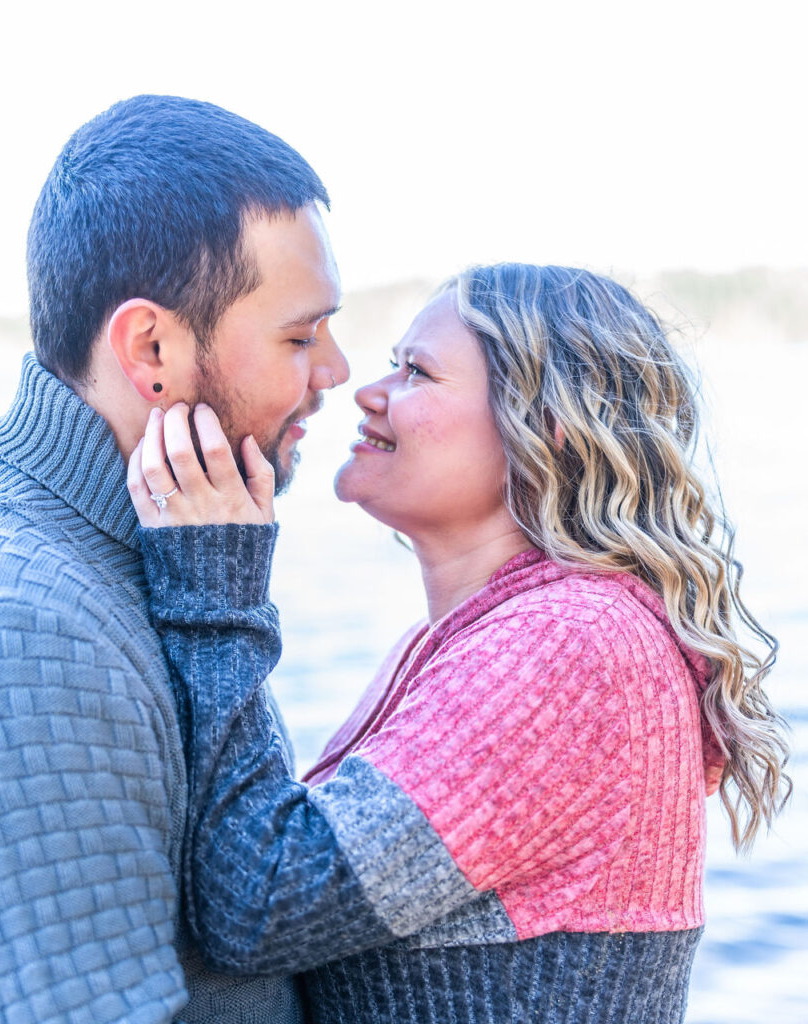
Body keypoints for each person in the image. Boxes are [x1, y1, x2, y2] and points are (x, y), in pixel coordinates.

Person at [129, 263, 791, 1024]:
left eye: (417, 371)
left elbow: (258, 905)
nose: (368, 392)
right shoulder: (473, 638)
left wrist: (216, 586)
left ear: (548, 429)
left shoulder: (571, 646)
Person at [0, 94, 348, 1023]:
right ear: (151, 348)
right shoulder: (33, 633)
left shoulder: (145, 550)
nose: (336, 372)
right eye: (300, 336)